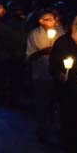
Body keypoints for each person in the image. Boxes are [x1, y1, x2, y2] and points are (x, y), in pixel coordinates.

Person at [50, 12, 77, 153]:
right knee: (68, 117)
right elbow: (53, 64)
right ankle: (67, 147)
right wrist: (60, 73)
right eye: (76, 22)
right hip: (68, 87)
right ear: (70, 25)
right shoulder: (62, 42)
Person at [25, 8, 58, 143]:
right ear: (41, 21)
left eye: (53, 19)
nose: (53, 22)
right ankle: (42, 131)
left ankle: (53, 130)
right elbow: (29, 56)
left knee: (53, 105)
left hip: (55, 75)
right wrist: (43, 52)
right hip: (40, 75)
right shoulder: (33, 35)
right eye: (49, 19)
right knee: (41, 104)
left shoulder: (59, 33)